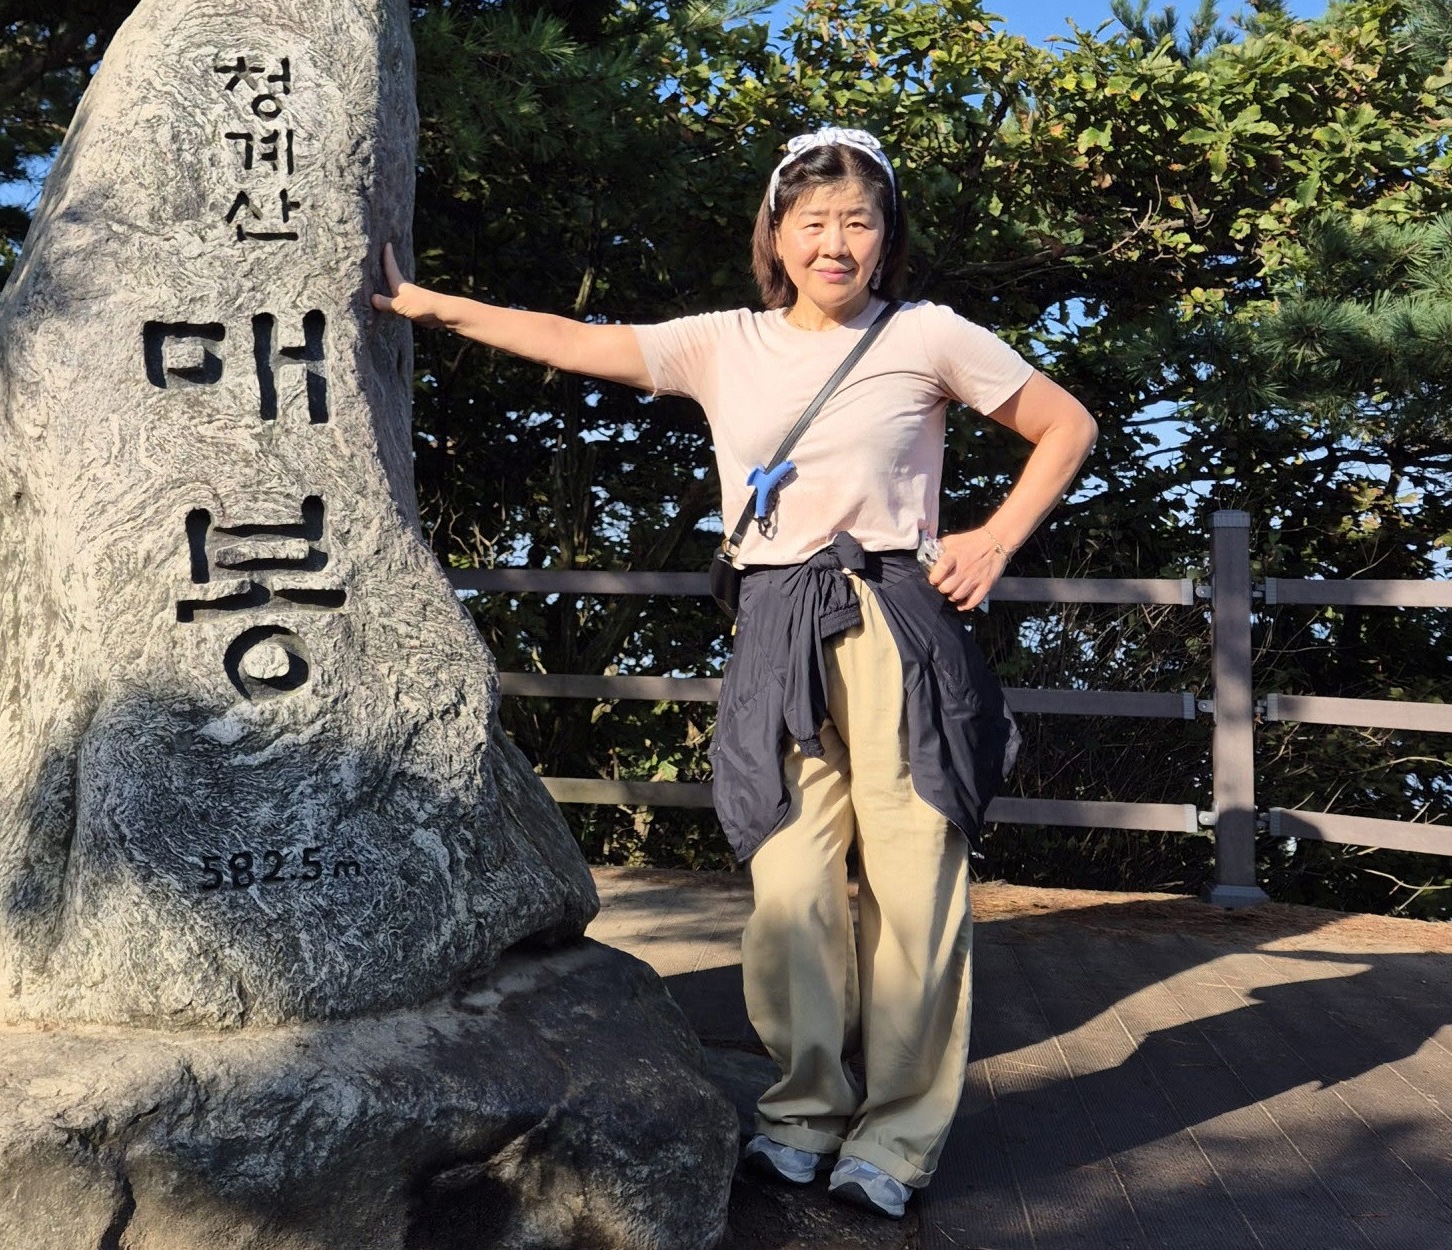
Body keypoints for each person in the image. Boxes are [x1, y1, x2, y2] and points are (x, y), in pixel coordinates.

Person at [372, 126, 1096, 1219]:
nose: (835, 242)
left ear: (885, 234)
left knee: (912, 880)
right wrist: (434, 307)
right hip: (773, 621)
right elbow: (576, 340)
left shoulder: (927, 335)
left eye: (857, 221)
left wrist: (991, 539)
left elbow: (1062, 424)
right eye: (812, 223)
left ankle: (896, 1137)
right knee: (791, 880)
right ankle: (803, 1111)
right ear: (776, 235)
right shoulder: (726, 343)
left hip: (895, 619)